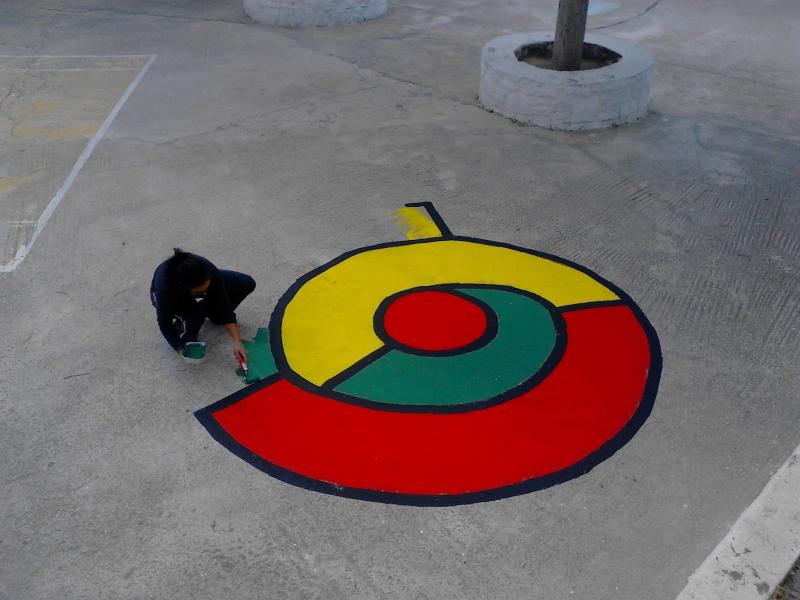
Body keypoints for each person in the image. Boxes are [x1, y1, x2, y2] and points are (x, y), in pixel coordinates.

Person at [150, 248, 255, 364]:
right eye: (200, 291)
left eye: (207, 287)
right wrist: (179, 348)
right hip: (172, 298)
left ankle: (211, 313)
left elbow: (224, 305)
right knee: (196, 316)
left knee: (246, 283)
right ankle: (185, 320)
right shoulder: (164, 289)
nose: (205, 292)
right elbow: (164, 323)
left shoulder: (208, 269)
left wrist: (237, 341)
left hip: (193, 284)